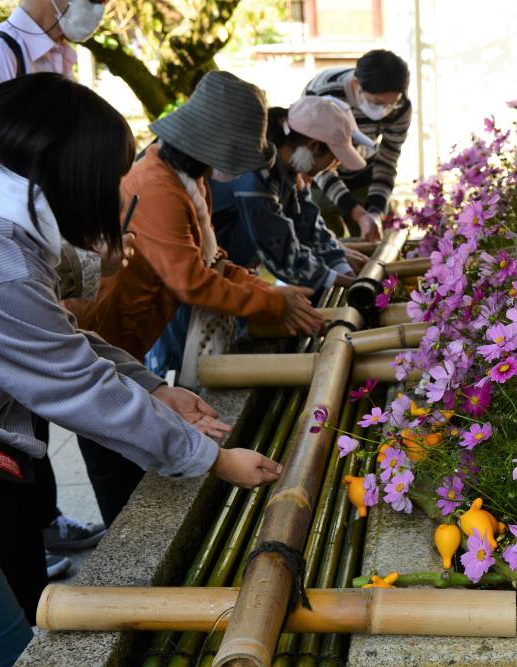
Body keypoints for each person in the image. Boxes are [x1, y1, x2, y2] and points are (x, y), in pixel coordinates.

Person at [0, 73, 282, 665]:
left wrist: (152, 387)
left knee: (12, 610)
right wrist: (214, 460)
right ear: (71, 175)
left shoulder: (10, 231)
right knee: (8, 642)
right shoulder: (4, 264)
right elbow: (79, 385)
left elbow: (67, 342)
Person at [66, 70, 325, 527]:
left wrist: (268, 290)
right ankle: (121, 543)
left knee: (128, 430)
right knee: (111, 446)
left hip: (130, 337)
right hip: (105, 328)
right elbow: (191, 281)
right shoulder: (157, 184)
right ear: (207, 145)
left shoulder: (190, 178)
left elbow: (212, 262)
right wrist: (274, 303)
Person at [0, 0, 114, 566]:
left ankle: (38, 535)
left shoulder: (59, 55)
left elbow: (63, 350)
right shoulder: (3, 55)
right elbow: (73, 378)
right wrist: (202, 457)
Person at [211, 96, 374, 295]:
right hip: (205, 276)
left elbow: (309, 225)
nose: (334, 166)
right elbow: (283, 256)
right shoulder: (255, 173)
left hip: (233, 270)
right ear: (313, 145)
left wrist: (341, 264)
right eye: (335, 158)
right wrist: (353, 284)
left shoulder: (289, 172)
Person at [303, 49, 411, 241]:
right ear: (356, 85)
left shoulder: (400, 106)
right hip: (321, 177)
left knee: (374, 241)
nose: (385, 111)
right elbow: (318, 163)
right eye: (376, 102)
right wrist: (357, 213)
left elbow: (387, 160)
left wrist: (374, 213)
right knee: (327, 243)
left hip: (363, 169)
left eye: (391, 104)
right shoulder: (323, 94)